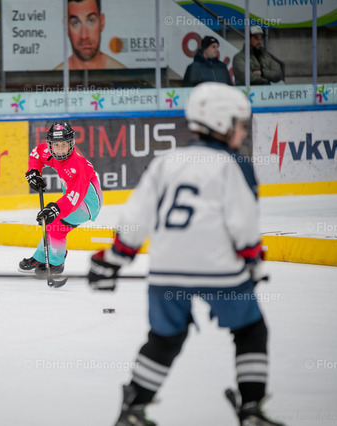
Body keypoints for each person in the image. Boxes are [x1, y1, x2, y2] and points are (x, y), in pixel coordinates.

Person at [88, 83, 285, 426]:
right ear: (220, 122)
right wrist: (252, 262)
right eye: (239, 124)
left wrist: (114, 259)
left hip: (166, 270)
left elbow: (136, 217)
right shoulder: (234, 164)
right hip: (219, 270)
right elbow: (243, 223)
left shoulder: (165, 162)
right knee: (250, 330)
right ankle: (251, 409)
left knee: (165, 337)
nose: (242, 131)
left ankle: (133, 409)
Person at [19, 121, 102, 276]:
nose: (60, 149)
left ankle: (57, 264)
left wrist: (56, 209)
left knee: (56, 225)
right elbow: (36, 153)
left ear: (71, 144)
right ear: (50, 145)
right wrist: (34, 172)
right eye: (56, 145)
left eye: (64, 144)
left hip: (86, 203)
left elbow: (74, 198)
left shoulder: (77, 165)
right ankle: (41, 258)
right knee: (50, 223)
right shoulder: (50, 152)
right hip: (71, 196)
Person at [53, 0, 125, 70]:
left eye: (91, 21)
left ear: (102, 22)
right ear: (66, 27)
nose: (84, 36)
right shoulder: (55, 76)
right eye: (75, 23)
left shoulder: (122, 74)